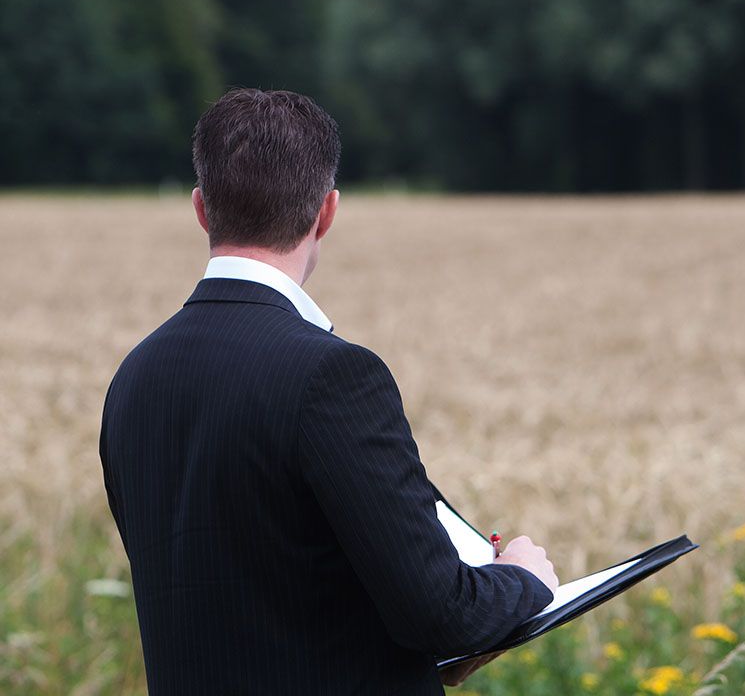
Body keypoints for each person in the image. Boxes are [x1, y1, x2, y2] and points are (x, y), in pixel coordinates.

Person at [98, 88, 558, 694]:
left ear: (202, 209)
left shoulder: (134, 378)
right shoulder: (333, 377)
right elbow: (440, 612)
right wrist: (526, 581)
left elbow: (226, 599)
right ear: (327, 212)